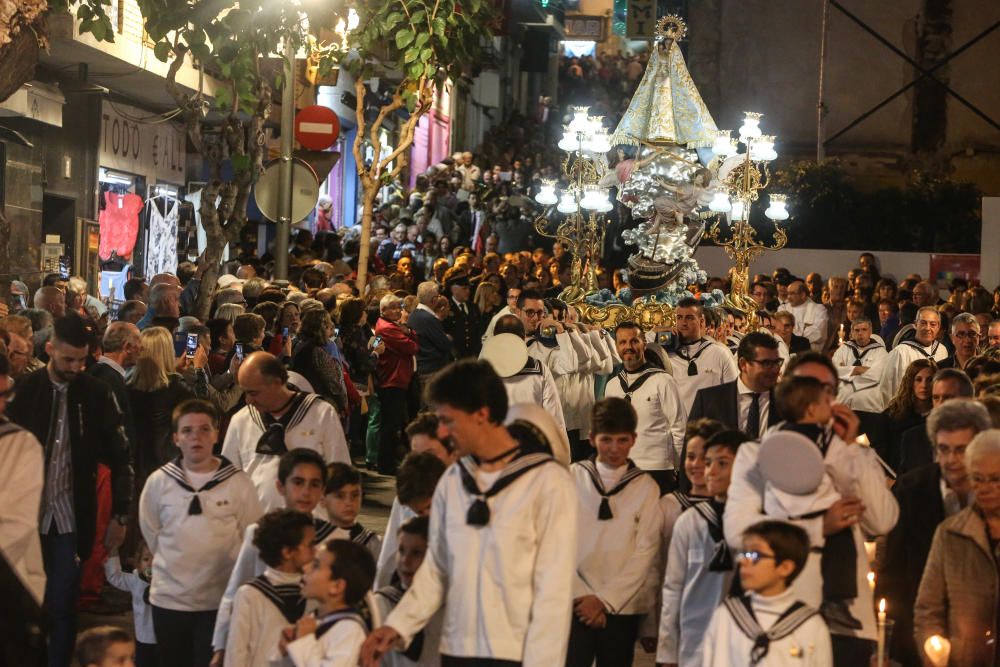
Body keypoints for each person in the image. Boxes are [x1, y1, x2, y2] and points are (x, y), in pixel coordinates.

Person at [361, 359, 577, 667]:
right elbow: (437, 568)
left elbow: (553, 589)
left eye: (449, 420)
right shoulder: (453, 480)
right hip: (456, 647)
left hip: (517, 651)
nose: (444, 432)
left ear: (482, 415)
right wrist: (399, 625)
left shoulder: (546, 482)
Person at [7, 313, 132, 667]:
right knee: (25, 605)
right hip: (24, 520)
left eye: (82, 359)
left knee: (63, 607)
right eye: (68, 359)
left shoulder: (97, 393)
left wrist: (121, 514)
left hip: (69, 519)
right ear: (49, 349)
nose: (76, 367)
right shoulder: (27, 391)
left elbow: (123, 456)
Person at [139, 399, 262, 667]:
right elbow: (152, 532)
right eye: (187, 431)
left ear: (216, 434)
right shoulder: (159, 482)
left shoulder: (237, 482)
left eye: (205, 429)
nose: (196, 437)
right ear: (175, 438)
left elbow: (250, 535)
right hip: (170, 599)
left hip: (218, 601)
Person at [879, 401, 990, 667]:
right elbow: (893, 569)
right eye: (943, 449)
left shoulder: (992, 490)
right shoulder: (912, 489)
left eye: (961, 450)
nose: (950, 460)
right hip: (923, 624)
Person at [211, 449, 333, 662]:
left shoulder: (332, 538)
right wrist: (221, 645)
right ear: (280, 486)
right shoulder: (260, 533)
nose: (306, 492)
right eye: (297, 482)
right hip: (261, 639)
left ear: (323, 490)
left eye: (314, 484)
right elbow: (235, 590)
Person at [567, 398, 661, 667]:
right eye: (606, 440)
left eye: (622, 440)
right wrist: (581, 594)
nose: (614, 449)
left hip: (621, 605)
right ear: (593, 438)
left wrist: (605, 600)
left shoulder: (646, 488)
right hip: (576, 600)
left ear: (633, 439)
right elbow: (556, 541)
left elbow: (646, 553)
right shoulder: (572, 477)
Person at [658, 430, 745, 667]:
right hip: (695, 641)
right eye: (708, 463)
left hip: (744, 643)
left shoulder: (756, 520)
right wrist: (668, 650)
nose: (711, 471)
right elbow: (673, 586)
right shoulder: (689, 522)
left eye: (722, 463)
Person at [914, 429, 1000, 666]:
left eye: (995, 479)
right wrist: (936, 657)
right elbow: (928, 610)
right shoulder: (950, 534)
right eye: (978, 479)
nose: (985, 488)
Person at [223, 351, 349, 510]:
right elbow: (229, 480)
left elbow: (340, 474)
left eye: (253, 393)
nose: (248, 400)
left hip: (310, 526)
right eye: (245, 392)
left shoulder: (321, 414)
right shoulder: (241, 420)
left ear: (276, 383)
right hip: (258, 527)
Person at [702, 521, 832, 666]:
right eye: (744, 554)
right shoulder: (726, 616)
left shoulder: (810, 625)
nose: (744, 562)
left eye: (755, 555)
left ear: (785, 568)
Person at [225, 509, 315, 667]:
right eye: (311, 546)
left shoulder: (313, 593)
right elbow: (236, 654)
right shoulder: (250, 594)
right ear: (287, 552)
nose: (316, 552)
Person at [604, 321, 687, 493]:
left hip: (658, 468)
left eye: (634, 341)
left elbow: (679, 429)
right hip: (622, 469)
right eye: (623, 342)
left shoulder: (663, 381)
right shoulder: (612, 385)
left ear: (644, 344)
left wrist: (681, 471)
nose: (629, 347)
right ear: (617, 347)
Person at [374, 418, 454, 589]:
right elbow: (389, 554)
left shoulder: (468, 498)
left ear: (452, 453)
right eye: (415, 456)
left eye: (430, 454)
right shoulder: (406, 497)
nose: (421, 463)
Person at [278, 539, 376, 666]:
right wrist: (286, 652)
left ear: (337, 586)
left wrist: (304, 641)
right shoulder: (315, 620)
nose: (305, 568)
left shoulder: (349, 630)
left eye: (316, 565)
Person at [688, 332, 782, 449]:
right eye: (766, 363)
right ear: (743, 364)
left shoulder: (787, 402)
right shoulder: (709, 401)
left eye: (777, 363)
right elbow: (691, 454)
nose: (774, 370)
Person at [372, 517, 443, 667]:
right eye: (401, 550)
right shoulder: (381, 602)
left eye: (417, 553)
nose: (405, 560)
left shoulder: (448, 606)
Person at [128, 327, 198, 480]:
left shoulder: (127, 388)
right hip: (170, 467)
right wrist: (197, 370)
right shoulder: (177, 388)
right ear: (167, 352)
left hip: (136, 469)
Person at [664, 297, 739, 413]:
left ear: (702, 321)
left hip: (710, 426)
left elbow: (734, 394)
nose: (683, 323)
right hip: (676, 427)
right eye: (679, 318)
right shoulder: (666, 355)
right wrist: (659, 330)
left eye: (689, 318)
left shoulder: (719, 353)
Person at [895, 368, 974, 474]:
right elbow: (903, 485)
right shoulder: (912, 438)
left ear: (967, 400)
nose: (940, 404)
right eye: (936, 398)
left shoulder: (979, 438)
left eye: (948, 397)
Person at [374, 294, 419, 475]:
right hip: (392, 380)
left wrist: (409, 332)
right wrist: (409, 334)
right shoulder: (387, 328)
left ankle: (388, 461)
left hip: (398, 378)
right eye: (392, 308)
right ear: (383, 310)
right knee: (390, 425)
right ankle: (385, 464)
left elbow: (411, 339)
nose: (397, 311)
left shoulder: (394, 326)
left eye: (398, 307)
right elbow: (412, 347)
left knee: (394, 424)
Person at [877, 306, 948, 410]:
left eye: (933, 324)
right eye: (923, 323)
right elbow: (887, 389)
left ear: (938, 327)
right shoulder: (901, 352)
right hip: (906, 412)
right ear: (915, 324)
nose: (928, 328)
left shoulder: (942, 350)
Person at [104, 540, 156, 666]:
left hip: (167, 636)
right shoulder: (135, 580)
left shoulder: (169, 583)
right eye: (146, 559)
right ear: (138, 563)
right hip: (144, 637)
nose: (151, 564)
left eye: (156, 559)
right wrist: (113, 551)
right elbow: (115, 577)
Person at [290, 308, 348, 414]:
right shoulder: (317, 351)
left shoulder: (298, 344)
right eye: (329, 328)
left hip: (304, 401)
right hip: (319, 406)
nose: (330, 332)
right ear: (322, 328)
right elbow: (333, 383)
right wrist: (342, 404)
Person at [322, 463, 382, 560]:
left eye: (355, 495)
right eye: (340, 496)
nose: (349, 502)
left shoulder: (373, 543)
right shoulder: (315, 539)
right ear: (322, 499)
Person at [408, 282, 455, 385]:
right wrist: (448, 339)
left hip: (422, 369)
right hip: (432, 371)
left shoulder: (412, 315)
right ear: (433, 300)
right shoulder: (428, 318)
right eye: (438, 296)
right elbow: (444, 344)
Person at [777, 280, 828, 351]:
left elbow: (818, 333)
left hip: (812, 355)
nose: (788, 297)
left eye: (792, 294)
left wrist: (794, 331)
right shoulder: (783, 308)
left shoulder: (819, 309)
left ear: (803, 295)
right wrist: (804, 328)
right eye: (788, 293)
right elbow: (780, 330)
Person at [442, 273, 482, 358]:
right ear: (454, 290)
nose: (468, 291)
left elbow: (477, 331)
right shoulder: (446, 307)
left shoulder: (473, 307)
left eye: (468, 288)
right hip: (454, 356)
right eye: (464, 289)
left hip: (472, 355)